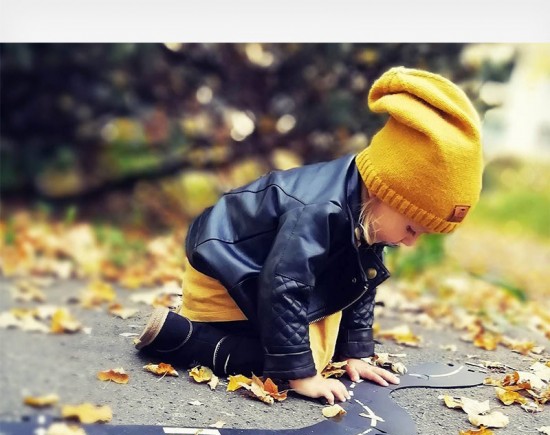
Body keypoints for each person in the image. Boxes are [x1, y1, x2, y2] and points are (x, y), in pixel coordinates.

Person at [135, 66, 483, 405]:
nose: (410, 242)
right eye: (411, 228)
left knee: (321, 342)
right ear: (383, 192)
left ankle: (244, 339)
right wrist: (300, 375)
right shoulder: (318, 209)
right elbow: (284, 285)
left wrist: (355, 353)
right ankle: (185, 338)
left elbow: (357, 283)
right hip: (224, 270)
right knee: (308, 357)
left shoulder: (366, 209)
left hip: (262, 266)